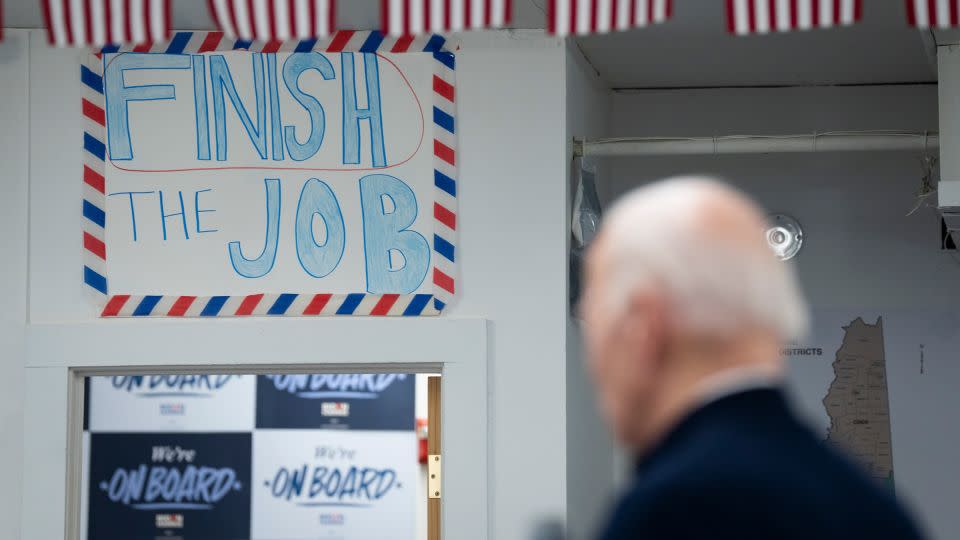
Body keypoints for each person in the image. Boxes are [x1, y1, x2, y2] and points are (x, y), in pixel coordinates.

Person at [580, 177, 925, 540]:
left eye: (597, 323)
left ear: (645, 327)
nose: (593, 362)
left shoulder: (671, 509)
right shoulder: (873, 507)